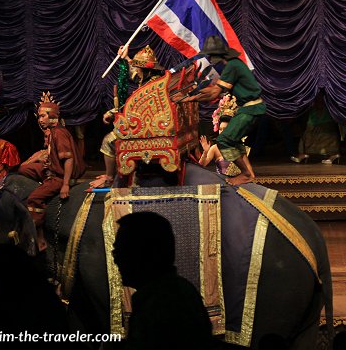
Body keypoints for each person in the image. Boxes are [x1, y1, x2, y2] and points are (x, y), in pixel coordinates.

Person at [112, 211, 215, 350]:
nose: (116, 259)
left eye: (121, 251)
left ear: (144, 254)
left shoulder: (162, 303)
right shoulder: (176, 291)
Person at [183, 35, 265, 186]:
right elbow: (216, 91)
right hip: (249, 108)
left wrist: (192, 98)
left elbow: (214, 93)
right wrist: (192, 96)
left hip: (251, 108)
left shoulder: (232, 66)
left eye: (211, 55)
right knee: (233, 140)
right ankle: (249, 172)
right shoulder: (234, 65)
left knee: (223, 140)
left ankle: (246, 174)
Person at [90, 44, 166, 189]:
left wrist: (114, 114)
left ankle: (109, 178)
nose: (136, 70)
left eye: (138, 68)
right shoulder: (150, 80)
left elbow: (136, 111)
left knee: (108, 140)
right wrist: (126, 57)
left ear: (144, 70)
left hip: (147, 130)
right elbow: (134, 72)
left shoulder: (149, 88)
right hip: (147, 124)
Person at [19, 92, 84, 251]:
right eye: (39, 116)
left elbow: (68, 159)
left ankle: (40, 238)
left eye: (42, 116)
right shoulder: (53, 132)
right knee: (24, 169)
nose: (40, 120)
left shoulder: (59, 133)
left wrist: (65, 184)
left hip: (59, 178)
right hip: (52, 172)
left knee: (34, 198)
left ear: (52, 116)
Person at [199, 95, 245, 180]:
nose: (222, 132)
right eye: (220, 129)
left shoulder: (239, 147)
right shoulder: (215, 148)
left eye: (225, 129)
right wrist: (205, 152)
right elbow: (201, 165)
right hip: (222, 184)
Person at [295, 93, 341, 164]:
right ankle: (333, 155)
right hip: (321, 119)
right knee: (326, 137)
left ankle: (304, 154)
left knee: (325, 137)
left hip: (320, 120)